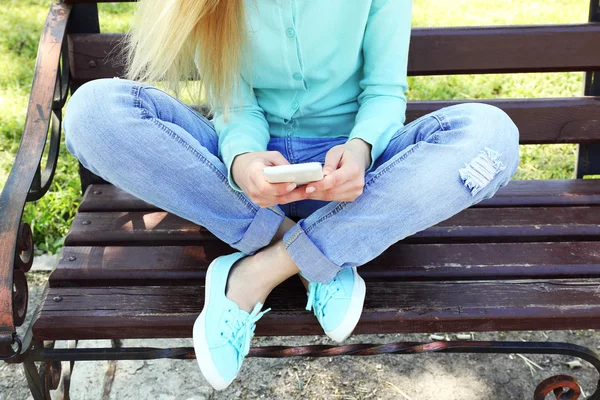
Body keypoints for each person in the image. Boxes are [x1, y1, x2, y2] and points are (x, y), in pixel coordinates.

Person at [63, 0, 520, 391]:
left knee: (491, 137)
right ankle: (320, 253)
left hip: (355, 182)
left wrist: (359, 151)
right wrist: (243, 160)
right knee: (93, 112)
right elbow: (235, 105)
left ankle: (259, 270)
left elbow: (383, 92)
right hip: (245, 186)